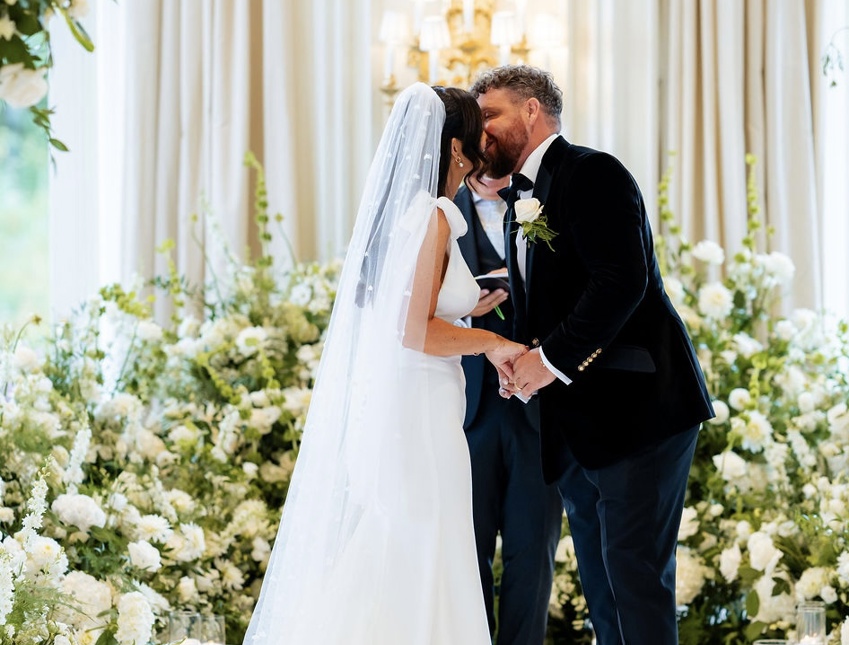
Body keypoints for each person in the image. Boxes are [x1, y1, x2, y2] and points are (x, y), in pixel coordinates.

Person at [242, 83, 526, 645]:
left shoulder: (396, 217)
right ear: (453, 149)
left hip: (405, 407)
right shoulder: (436, 214)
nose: (477, 154)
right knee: (425, 548)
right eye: (473, 141)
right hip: (421, 416)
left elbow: (402, 308)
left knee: (403, 546)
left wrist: (470, 304)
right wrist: (491, 344)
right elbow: (412, 329)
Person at [470, 65, 715, 645]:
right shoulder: (517, 202)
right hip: (577, 426)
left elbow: (620, 283)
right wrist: (517, 360)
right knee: (605, 594)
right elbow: (552, 302)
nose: (481, 133)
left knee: (635, 584)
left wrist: (547, 361)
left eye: (490, 116)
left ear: (532, 111)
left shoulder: (593, 172)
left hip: (638, 412)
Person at [455, 173, 562, 645]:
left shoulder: (549, 201)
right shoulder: (435, 209)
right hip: (464, 409)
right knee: (464, 552)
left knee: (533, 553)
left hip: (539, 408)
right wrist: (462, 311)